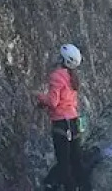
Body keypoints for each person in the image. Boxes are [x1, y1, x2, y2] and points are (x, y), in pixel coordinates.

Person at [36, 43, 88, 191]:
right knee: (76, 160)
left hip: (62, 124)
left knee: (64, 164)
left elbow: (53, 102)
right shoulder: (73, 78)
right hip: (74, 122)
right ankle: (85, 186)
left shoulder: (57, 76)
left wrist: (38, 96)